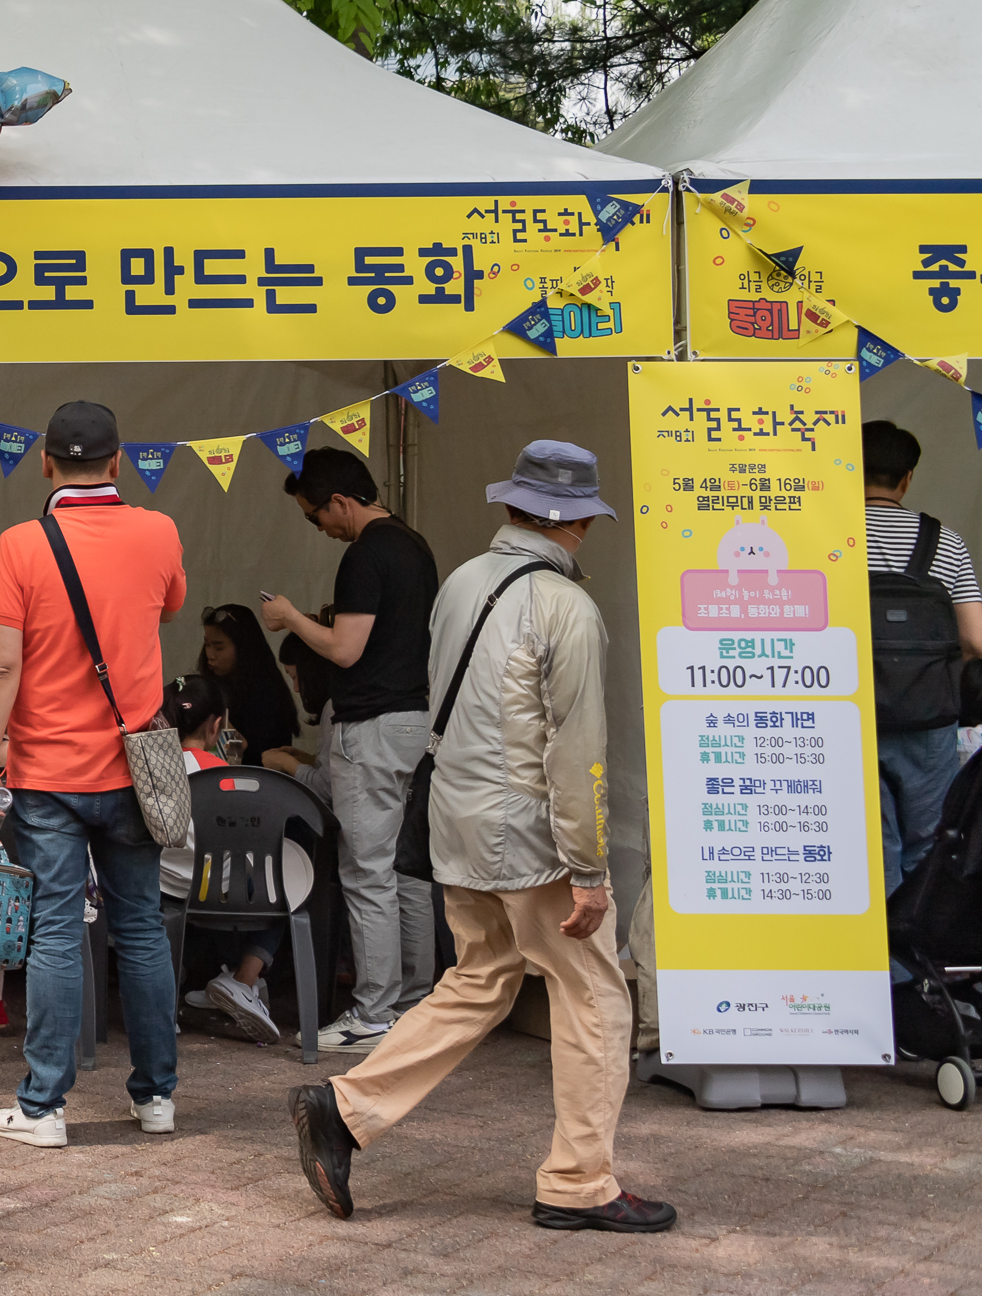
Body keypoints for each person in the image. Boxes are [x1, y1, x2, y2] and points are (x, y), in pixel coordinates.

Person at [290, 439, 676, 1235]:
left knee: (479, 979)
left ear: (511, 508)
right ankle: (580, 1182)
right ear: (579, 523)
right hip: (530, 835)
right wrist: (590, 868)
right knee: (598, 997)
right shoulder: (567, 607)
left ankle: (344, 1106)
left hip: (458, 823)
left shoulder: (464, 579)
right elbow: (576, 753)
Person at [0, 400, 188, 1144]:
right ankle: (157, 1099)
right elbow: (164, 609)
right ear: (119, 461)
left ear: (44, 463)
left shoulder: (20, 543)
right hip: (136, 769)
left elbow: (3, 662)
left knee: (57, 935)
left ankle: (44, 1109)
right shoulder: (159, 531)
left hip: (47, 773)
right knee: (142, 931)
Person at [259, 448, 442, 1053]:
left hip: (371, 726)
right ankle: (415, 1003)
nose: (321, 529)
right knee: (404, 870)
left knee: (366, 873)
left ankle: (373, 1014)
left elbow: (343, 650)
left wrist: (289, 618)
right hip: (415, 720)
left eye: (317, 517)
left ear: (341, 501)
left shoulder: (366, 554)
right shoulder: (415, 545)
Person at [864, 420, 982, 898]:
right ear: (907, 478)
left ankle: (886, 968)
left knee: (874, 846)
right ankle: (921, 963)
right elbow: (979, 641)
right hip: (928, 719)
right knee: (926, 844)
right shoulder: (946, 541)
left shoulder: (825, 539)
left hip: (849, 713)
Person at [164, 675, 292, 1045]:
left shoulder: (151, 770)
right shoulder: (230, 776)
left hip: (166, 885)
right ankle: (243, 980)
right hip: (224, 890)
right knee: (286, 882)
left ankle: (178, 998)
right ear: (217, 725)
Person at [197, 603, 300, 764]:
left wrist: (224, 723)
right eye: (207, 645)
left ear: (243, 647)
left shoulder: (266, 695)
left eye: (219, 647)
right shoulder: (209, 686)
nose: (210, 654)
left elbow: (239, 753)